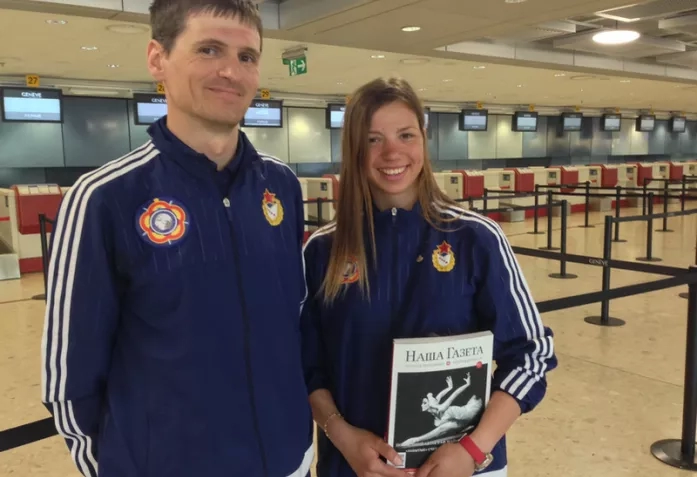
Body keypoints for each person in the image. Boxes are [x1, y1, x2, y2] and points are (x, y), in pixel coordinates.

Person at [40, 1, 313, 476]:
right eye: (209, 50)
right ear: (157, 59)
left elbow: (296, 322)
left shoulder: (281, 186)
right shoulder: (105, 198)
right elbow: (70, 378)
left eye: (247, 56)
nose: (231, 71)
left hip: (288, 460)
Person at [300, 77, 557, 477]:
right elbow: (306, 365)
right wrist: (344, 437)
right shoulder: (322, 250)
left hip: (462, 466)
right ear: (353, 149)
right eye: (373, 139)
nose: (392, 153)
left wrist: (473, 449)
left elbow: (531, 355)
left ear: (423, 140)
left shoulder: (476, 238)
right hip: (354, 466)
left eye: (406, 135)